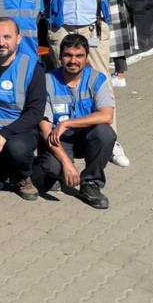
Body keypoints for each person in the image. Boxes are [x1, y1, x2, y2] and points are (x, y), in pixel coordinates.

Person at [34, 34, 117, 209]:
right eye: (68, 55)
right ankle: (56, 174)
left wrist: (67, 123)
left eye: (79, 56)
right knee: (53, 167)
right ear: (60, 56)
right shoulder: (46, 81)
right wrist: (67, 164)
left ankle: (90, 183)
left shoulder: (96, 78)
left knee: (105, 133)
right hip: (57, 140)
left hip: (85, 137)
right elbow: (45, 130)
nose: (73, 61)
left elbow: (107, 116)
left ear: (87, 58)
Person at [0, 18, 46, 201]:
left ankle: (24, 176)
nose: (1, 43)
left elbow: (36, 112)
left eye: (7, 37)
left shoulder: (32, 67)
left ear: (18, 38)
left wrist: (5, 134)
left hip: (19, 131)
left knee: (18, 148)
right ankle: (7, 169)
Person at [106, 0, 135, 168]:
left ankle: (119, 75)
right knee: (117, 49)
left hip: (115, 14)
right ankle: (118, 74)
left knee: (117, 50)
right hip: (116, 14)